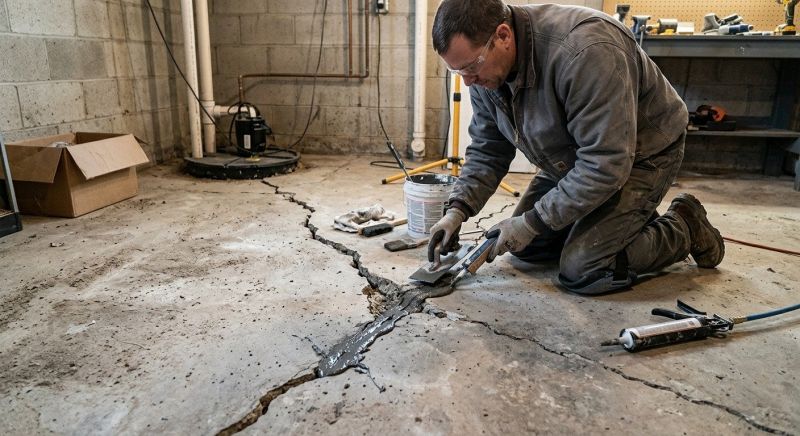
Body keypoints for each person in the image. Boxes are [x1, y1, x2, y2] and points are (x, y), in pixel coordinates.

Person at [427, 0, 725, 294]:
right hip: (569, 160)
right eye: (458, 72)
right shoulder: (484, 75)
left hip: (641, 155)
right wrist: (458, 209)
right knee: (528, 249)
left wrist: (533, 221)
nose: (467, 82)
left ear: (503, 36)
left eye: (470, 67)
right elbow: (488, 149)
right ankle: (620, 221)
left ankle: (684, 224)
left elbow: (606, 163)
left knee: (584, 269)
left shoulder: (586, 50)